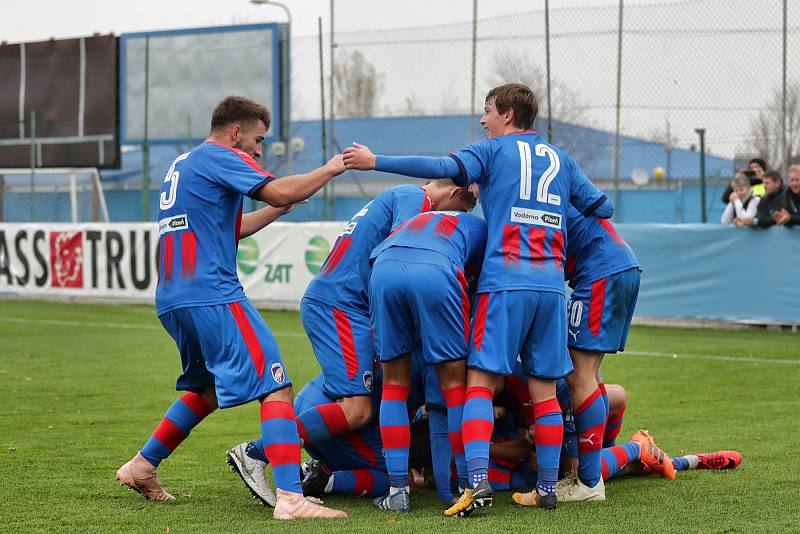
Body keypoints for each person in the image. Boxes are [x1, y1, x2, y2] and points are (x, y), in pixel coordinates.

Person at [343, 83, 613, 515]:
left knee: (479, 386)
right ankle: (546, 488)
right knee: (545, 388)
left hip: (505, 281)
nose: (483, 120)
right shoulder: (561, 159)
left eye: (487, 111)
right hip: (549, 284)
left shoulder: (491, 152)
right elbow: (603, 206)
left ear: (506, 114)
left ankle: (477, 483)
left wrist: (376, 161)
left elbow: (441, 165)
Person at [115, 96, 347, 520]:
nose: (259, 150)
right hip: (213, 294)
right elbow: (277, 187)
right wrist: (332, 168)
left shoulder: (184, 164)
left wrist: (279, 209)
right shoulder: (220, 155)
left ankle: (141, 467)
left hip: (173, 298)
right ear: (236, 132)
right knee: (275, 385)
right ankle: (291, 499)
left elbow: (231, 227)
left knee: (206, 390)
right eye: (258, 140)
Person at [294, 180, 476, 453]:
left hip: (343, 303)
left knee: (365, 400)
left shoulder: (400, 194)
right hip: (342, 305)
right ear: (452, 193)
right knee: (358, 409)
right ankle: (262, 449)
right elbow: (401, 251)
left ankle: (325, 466)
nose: (454, 219)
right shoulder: (417, 199)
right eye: (460, 210)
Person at [368, 210, 487, 512]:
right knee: (454, 385)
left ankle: (397, 491)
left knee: (394, 385)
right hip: (437, 269)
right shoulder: (481, 227)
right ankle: (466, 486)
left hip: (384, 268)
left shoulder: (414, 217)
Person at [534, 207, 641, 502]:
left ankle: (590, 482)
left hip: (601, 271)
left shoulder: (531, 195)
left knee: (578, 374)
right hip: (618, 265)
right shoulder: (557, 186)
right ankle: (596, 465)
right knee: (588, 373)